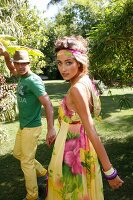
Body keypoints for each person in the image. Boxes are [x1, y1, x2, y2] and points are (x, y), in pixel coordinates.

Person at [45, 36, 124, 200]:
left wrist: (110, 172)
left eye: (69, 62)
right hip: (81, 146)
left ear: (79, 62)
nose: (63, 69)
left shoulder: (77, 89)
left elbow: (91, 130)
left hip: (72, 152)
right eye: (59, 63)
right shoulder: (86, 80)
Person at [0, 44, 56, 200]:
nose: (20, 66)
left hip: (32, 127)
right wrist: (5, 55)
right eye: (18, 63)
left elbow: (48, 104)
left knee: (26, 162)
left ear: (29, 64)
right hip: (23, 125)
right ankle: (44, 174)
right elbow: (11, 68)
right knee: (18, 153)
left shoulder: (33, 81)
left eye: (23, 63)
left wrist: (51, 128)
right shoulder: (21, 76)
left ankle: (32, 196)